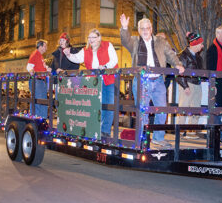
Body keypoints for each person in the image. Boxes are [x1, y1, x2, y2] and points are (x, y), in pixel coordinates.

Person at [120, 13, 184, 147]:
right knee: (143, 111)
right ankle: (142, 138)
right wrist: (125, 28)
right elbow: (125, 41)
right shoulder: (135, 42)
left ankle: (158, 138)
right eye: (142, 28)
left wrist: (177, 64)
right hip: (142, 81)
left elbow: (170, 54)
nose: (145, 31)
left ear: (151, 29)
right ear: (139, 30)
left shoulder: (161, 42)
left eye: (147, 28)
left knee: (162, 110)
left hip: (158, 80)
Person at [63, 29, 118, 137]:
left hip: (109, 79)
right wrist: (69, 54)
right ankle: (96, 128)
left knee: (110, 105)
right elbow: (77, 58)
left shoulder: (108, 45)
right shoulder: (85, 50)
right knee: (96, 105)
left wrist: (105, 66)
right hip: (94, 82)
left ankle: (105, 131)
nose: (91, 40)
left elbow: (114, 60)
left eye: (93, 37)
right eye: (89, 37)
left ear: (99, 38)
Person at [175, 32, 204, 137]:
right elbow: (178, 72)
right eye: (201, 43)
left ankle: (192, 131)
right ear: (195, 44)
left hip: (197, 83)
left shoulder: (199, 58)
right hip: (188, 83)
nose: (202, 46)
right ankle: (180, 132)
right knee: (183, 108)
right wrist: (185, 86)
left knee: (196, 108)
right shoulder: (183, 55)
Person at [26, 39, 52, 119]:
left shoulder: (40, 56)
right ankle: (36, 119)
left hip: (40, 81)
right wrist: (31, 71)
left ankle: (41, 119)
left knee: (42, 101)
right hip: (37, 81)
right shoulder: (36, 54)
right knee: (38, 101)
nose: (46, 48)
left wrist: (47, 68)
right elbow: (29, 66)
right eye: (45, 46)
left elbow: (40, 66)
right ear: (40, 46)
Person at [206, 26, 222, 108]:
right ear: (218, 35)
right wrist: (213, 85)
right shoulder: (212, 49)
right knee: (217, 108)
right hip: (217, 83)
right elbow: (210, 68)